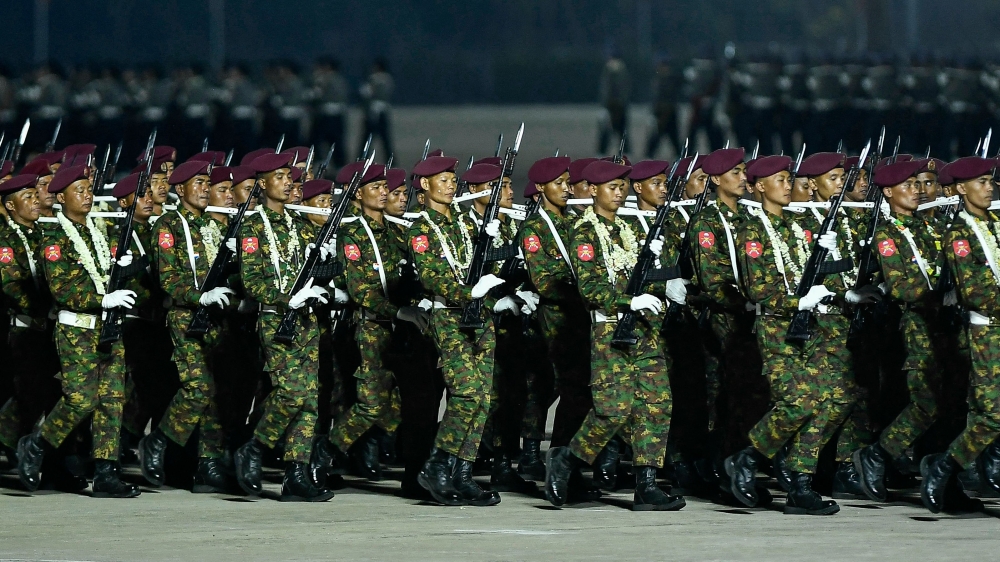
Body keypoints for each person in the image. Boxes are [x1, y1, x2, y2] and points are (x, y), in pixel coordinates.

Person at [725, 155, 878, 515]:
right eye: (779, 179)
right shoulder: (752, 230)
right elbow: (757, 289)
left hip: (815, 325)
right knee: (800, 402)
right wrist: (797, 301)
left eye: (787, 178)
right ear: (760, 186)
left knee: (831, 400)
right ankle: (748, 459)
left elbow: (816, 277)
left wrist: (846, 295)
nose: (788, 184)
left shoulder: (801, 227)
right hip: (779, 326)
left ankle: (799, 482)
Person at [544, 159, 685, 511]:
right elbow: (590, 288)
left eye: (623, 187)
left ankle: (647, 484)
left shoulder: (633, 229)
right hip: (610, 328)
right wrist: (628, 299)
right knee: (613, 409)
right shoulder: (583, 232)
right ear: (593, 190)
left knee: (656, 405)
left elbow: (653, 272)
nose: (618, 194)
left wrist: (660, 266)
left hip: (644, 329)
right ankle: (567, 461)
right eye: (612, 187)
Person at [16, 164, 142, 498]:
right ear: (60, 197)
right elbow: (63, 289)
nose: (87, 196)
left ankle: (106, 472)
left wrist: (125, 270)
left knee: (112, 401)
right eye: (79, 191)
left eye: (89, 190)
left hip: (109, 326)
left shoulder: (96, 231)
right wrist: (104, 297)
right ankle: (36, 445)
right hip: (77, 329)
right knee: (80, 401)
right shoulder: (54, 236)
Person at [406, 155, 514, 507]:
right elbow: (431, 274)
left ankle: (462, 473)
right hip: (449, 316)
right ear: (425, 185)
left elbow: (481, 264)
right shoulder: (420, 227)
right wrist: (470, 292)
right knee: (467, 394)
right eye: (444, 179)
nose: (452, 184)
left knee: (482, 400)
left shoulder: (466, 222)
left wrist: (493, 242)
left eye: (454, 179)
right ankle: (437, 465)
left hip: (480, 317)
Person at [851, 159, 958, 505]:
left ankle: (948, 479)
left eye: (918, 185)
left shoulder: (929, 227)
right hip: (918, 326)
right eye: (908, 186)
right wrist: (943, 295)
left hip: (946, 324)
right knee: (927, 402)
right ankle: (878, 454)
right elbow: (901, 286)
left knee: (953, 402)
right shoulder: (886, 233)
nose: (917, 191)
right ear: (888, 192)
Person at [232, 152, 336, 502]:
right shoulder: (252, 226)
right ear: (261, 184)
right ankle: (255, 448)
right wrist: (284, 298)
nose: (288, 182)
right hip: (277, 319)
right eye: (279, 177)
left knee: (308, 401)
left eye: (289, 177)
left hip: (306, 319)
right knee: (290, 393)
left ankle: (296, 473)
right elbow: (252, 280)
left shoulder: (297, 222)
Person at [139, 160, 231, 493]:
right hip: (184, 317)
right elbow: (168, 279)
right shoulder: (168, 225)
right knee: (198, 388)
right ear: (180, 189)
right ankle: (158, 442)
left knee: (213, 397)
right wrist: (200, 296)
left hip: (215, 322)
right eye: (199, 183)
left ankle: (207, 463)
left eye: (209, 183)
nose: (206, 189)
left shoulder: (213, 226)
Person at [921, 156, 1000, 513]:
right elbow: (976, 291)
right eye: (981, 182)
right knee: (992, 415)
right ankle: (945, 467)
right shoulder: (960, 233)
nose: (989, 187)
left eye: (990, 181)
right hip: (988, 332)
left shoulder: (996, 224)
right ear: (962, 189)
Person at [359, 58, 394, 160]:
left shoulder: (375, 79)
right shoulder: (388, 79)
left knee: (368, 137)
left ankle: (362, 157)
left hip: (374, 112)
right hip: (382, 111)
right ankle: (390, 158)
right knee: (385, 138)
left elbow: (368, 94)